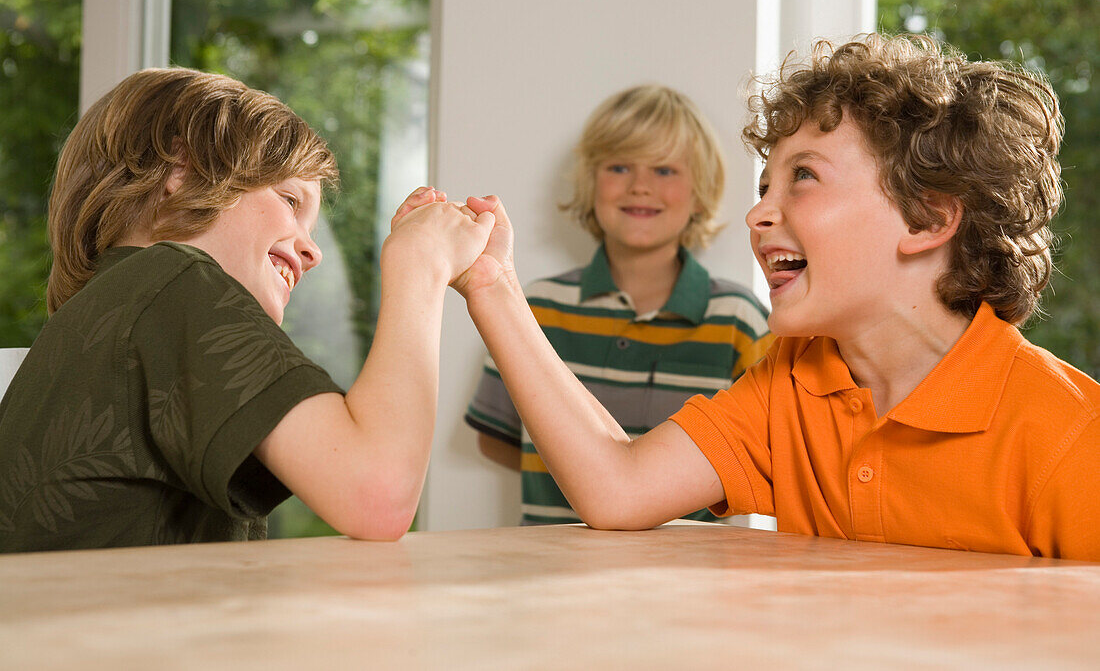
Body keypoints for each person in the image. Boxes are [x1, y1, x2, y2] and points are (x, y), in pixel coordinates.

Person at [450, 33, 1100, 560]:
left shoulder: (1072, 437)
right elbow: (618, 489)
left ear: (927, 219)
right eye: (766, 182)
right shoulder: (787, 384)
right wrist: (493, 284)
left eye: (804, 177)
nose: (758, 212)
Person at [0, 68, 494, 552]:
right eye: (288, 200)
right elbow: (378, 493)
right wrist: (420, 264)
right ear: (181, 168)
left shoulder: (104, 316)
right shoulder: (170, 282)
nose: (312, 251)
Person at [464, 85, 772, 525]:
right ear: (591, 183)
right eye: (620, 166)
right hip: (547, 580)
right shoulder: (536, 308)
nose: (640, 186)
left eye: (665, 170)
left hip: (690, 585)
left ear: (700, 191)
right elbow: (495, 439)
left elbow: (766, 457)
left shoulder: (738, 319)